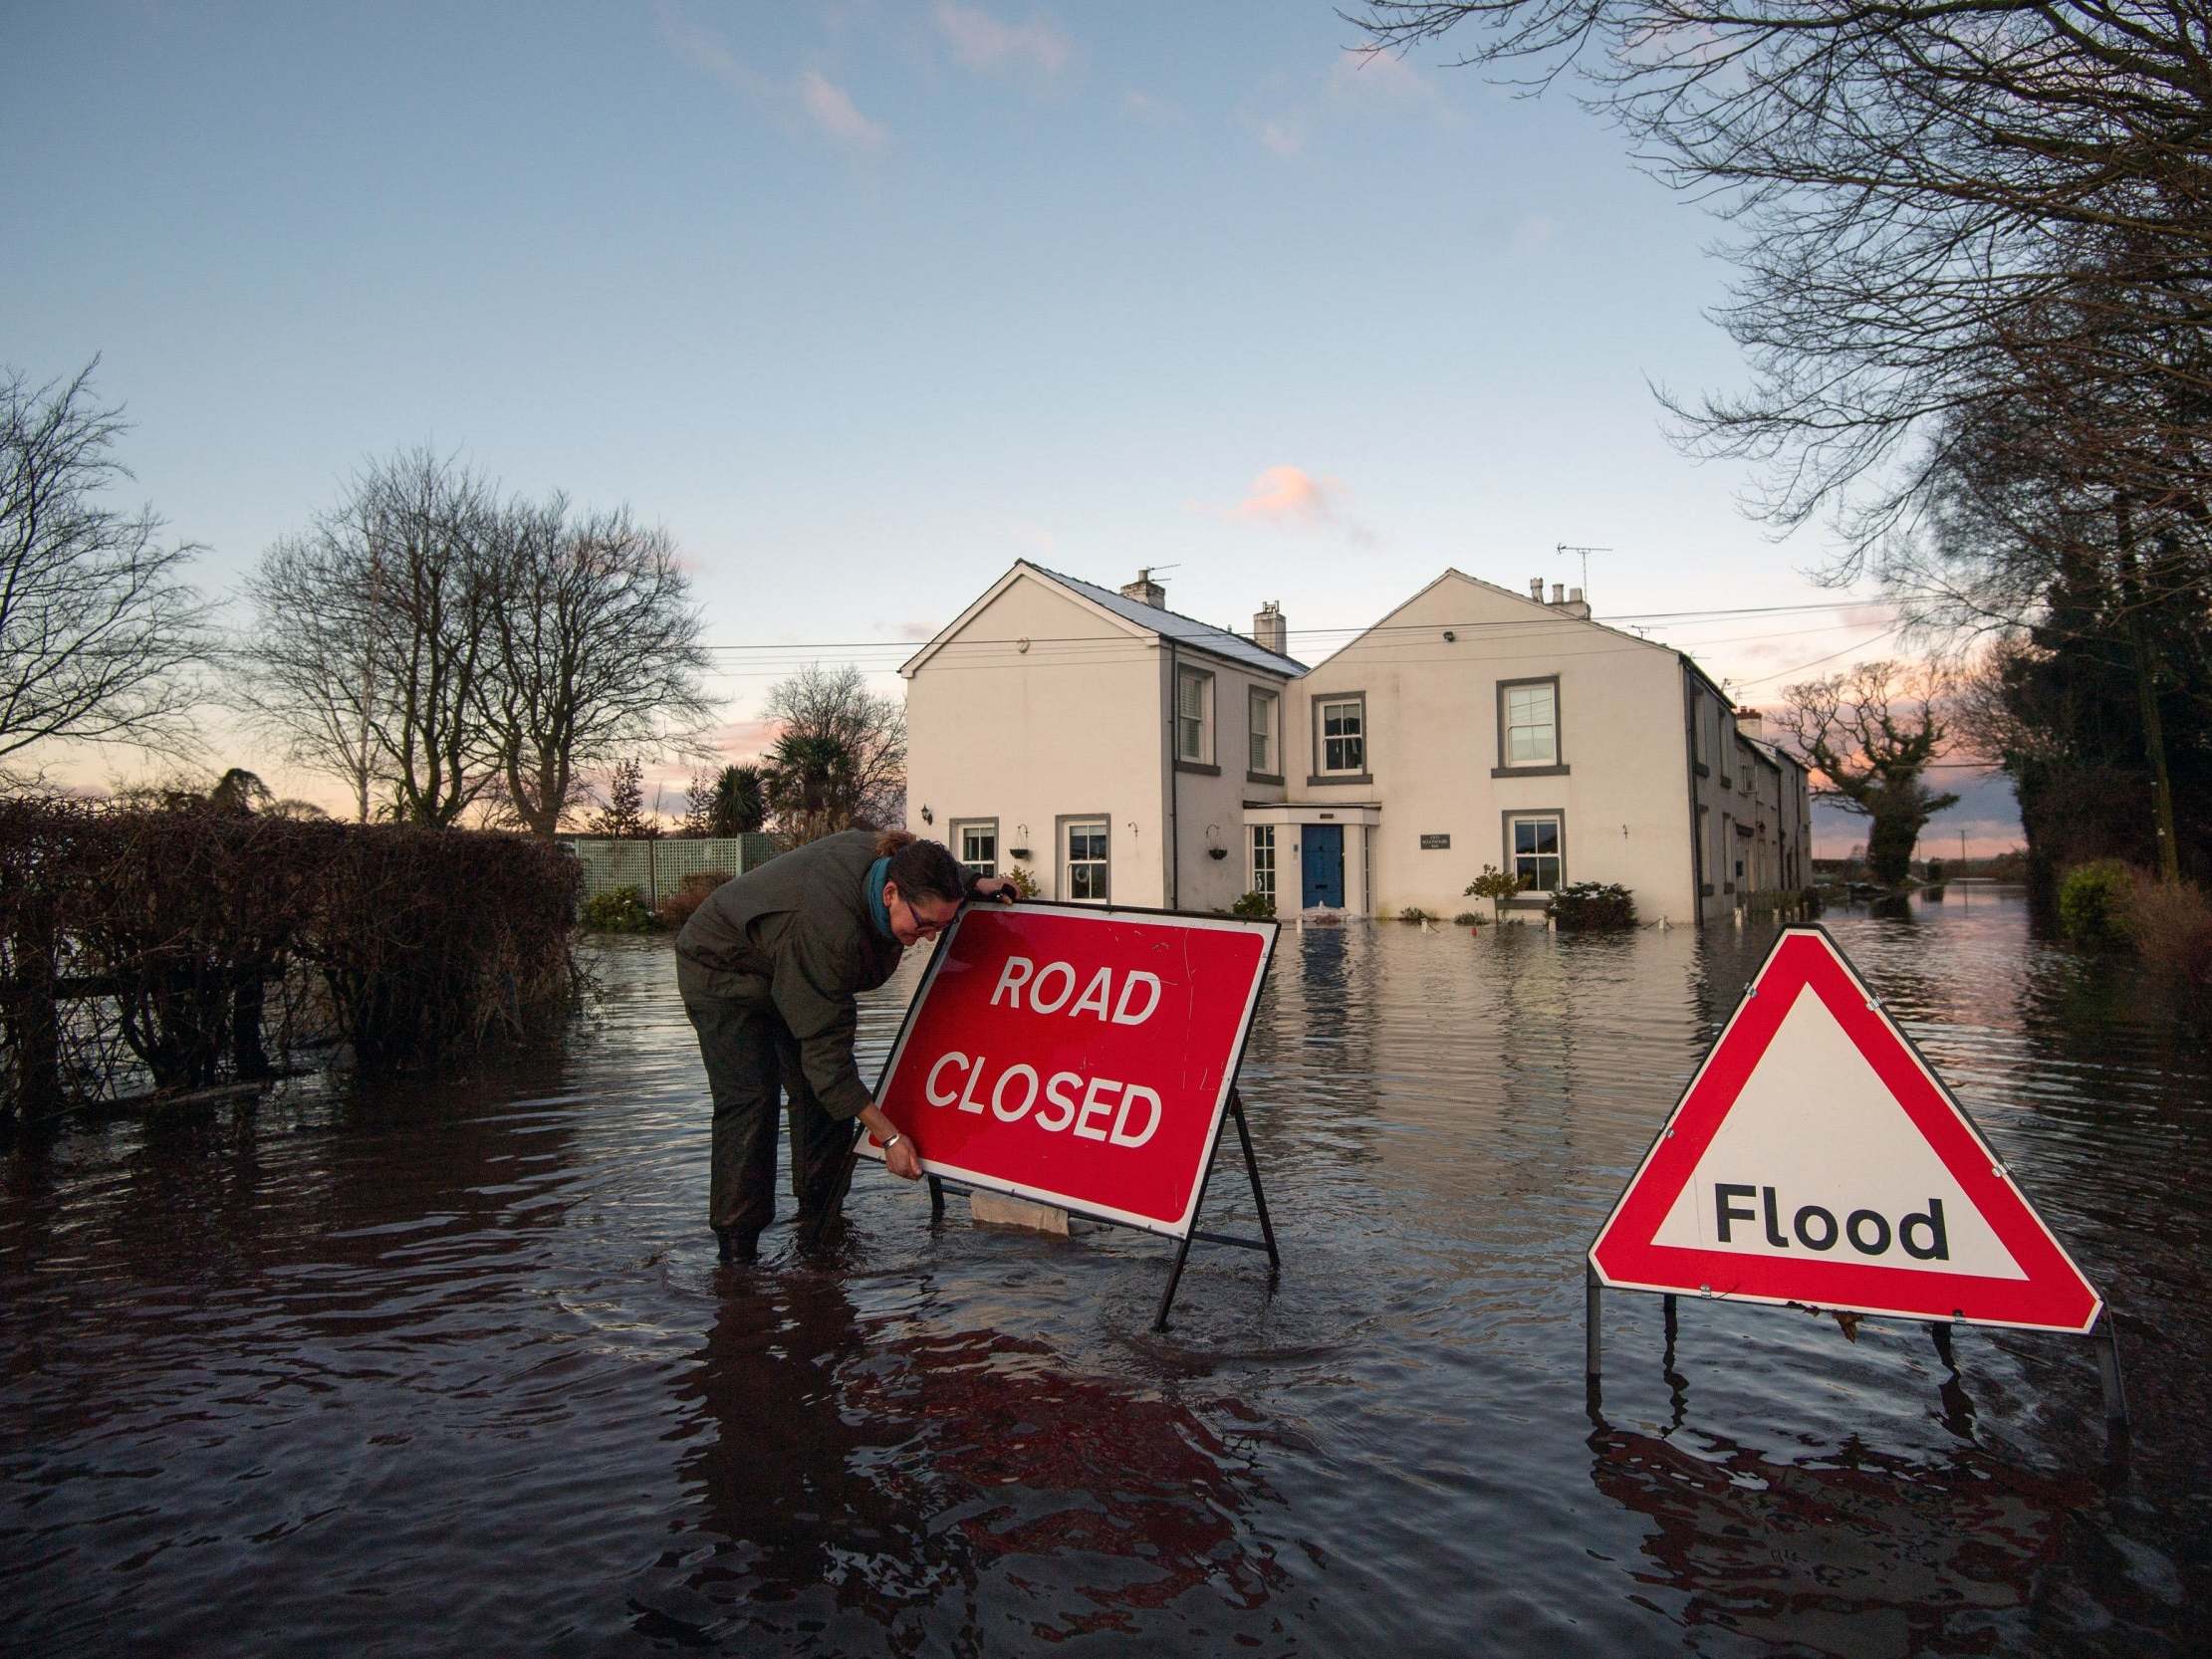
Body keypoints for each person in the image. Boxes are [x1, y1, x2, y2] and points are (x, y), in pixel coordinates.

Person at [675, 828, 1016, 1262]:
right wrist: (890, 1139)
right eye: (924, 923)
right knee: (750, 1101)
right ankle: (737, 1254)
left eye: (941, 925)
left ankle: (820, 1221)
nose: (930, 936)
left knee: (821, 1101)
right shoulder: (830, 935)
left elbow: (927, 860)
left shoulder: (898, 861)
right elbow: (829, 1063)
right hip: (722, 969)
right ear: (890, 893)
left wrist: (973, 882)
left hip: (790, 965)